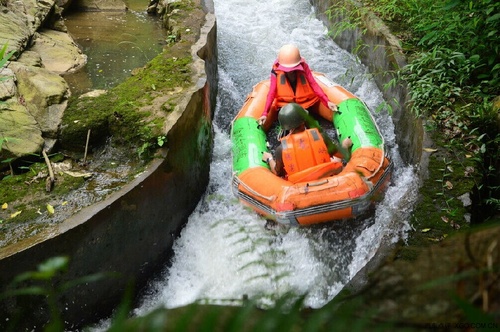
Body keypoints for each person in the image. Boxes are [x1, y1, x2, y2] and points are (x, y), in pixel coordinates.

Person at [262, 103, 352, 180]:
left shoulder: (281, 149)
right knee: (337, 160)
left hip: (300, 186)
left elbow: (278, 173)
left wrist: (269, 158)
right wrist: (345, 144)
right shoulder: (319, 136)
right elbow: (341, 154)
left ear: (285, 127)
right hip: (327, 178)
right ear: (303, 120)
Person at [258, 44, 338, 126]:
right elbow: (272, 92)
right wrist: (265, 113)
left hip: (306, 105)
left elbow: (314, 85)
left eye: (293, 69)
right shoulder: (275, 71)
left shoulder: (304, 67)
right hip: (285, 107)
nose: (290, 72)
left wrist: (327, 101)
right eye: (287, 70)